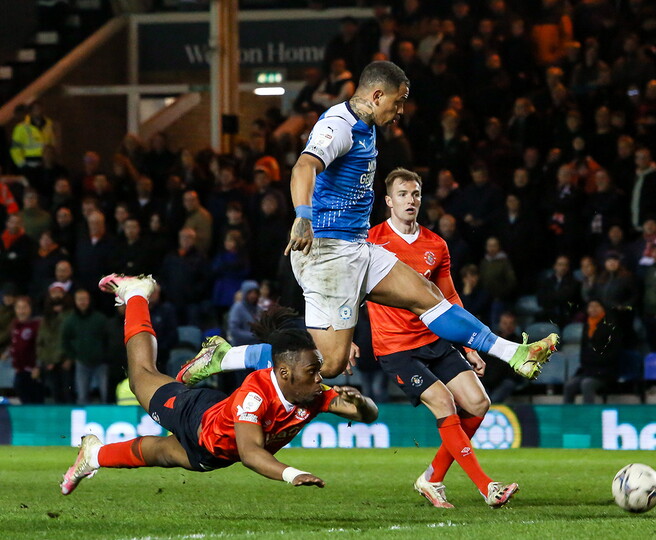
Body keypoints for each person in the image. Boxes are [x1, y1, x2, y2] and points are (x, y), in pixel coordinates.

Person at [175, 169, 522, 509]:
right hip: (396, 347)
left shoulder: (437, 244)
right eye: (402, 194)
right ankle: (486, 485)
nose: (410, 200)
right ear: (388, 201)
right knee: (434, 400)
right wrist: (348, 334)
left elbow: (447, 299)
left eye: (415, 194)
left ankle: (431, 478)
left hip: (435, 340)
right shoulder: (370, 239)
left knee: (478, 403)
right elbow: (348, 287)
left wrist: (467, 343)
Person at [236, 61, 557, 383]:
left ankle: (514, 353)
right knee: (329, 364)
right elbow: (304, 167)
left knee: (426, 294)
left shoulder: (368, 127)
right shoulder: (338, 125)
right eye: (398, 100)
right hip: (326, 252)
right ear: (377, 95)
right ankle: (229, 356)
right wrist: (303, 217)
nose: (401, 109)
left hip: (354, 247)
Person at [60, 274, 378, 496]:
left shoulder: (312, 394)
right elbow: (250, 453)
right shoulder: (255, 397)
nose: (320, 378)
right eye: (312, 372)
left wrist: (361, 402)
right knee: (141, 374)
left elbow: (367, 416)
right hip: (194, 416)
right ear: (283, 374)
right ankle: (136, 294)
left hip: (214, 454)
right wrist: (293, 474)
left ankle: (95, 455)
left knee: (159, 453)